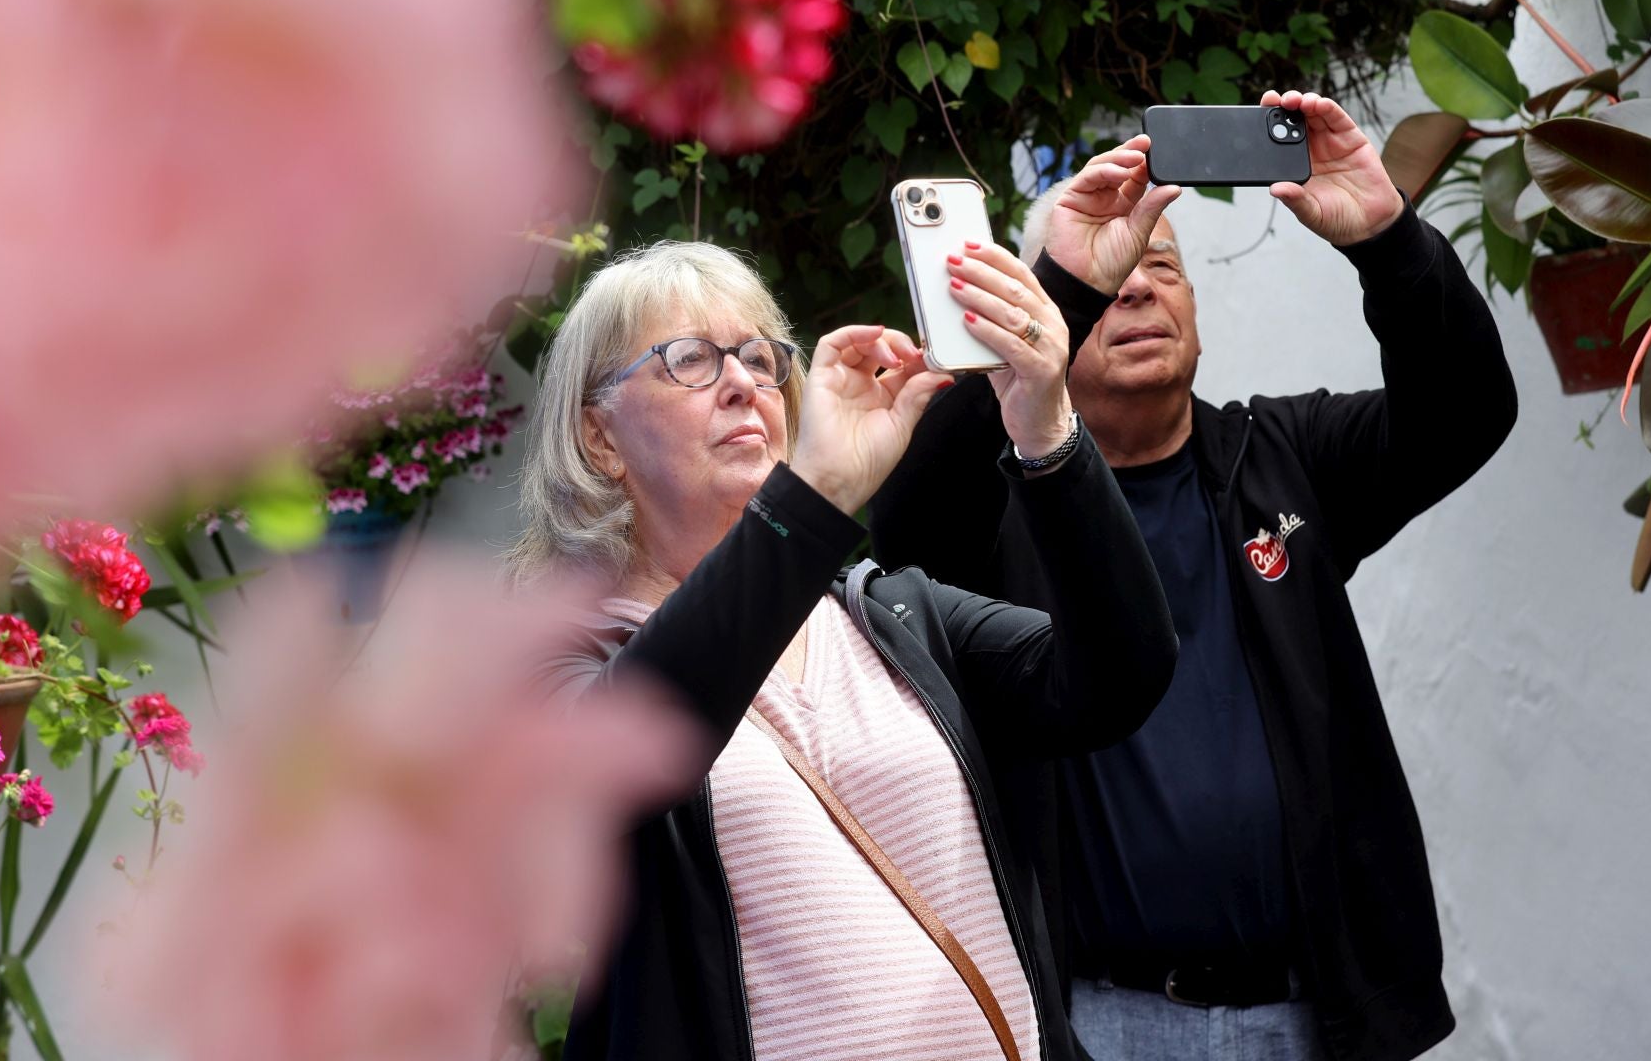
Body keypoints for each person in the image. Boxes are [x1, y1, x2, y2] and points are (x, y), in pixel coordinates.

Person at [871, 90, 1520, 1061]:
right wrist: (1065, 287)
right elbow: (908, 515)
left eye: (1161, 268)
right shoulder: (1003, 508)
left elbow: (1465, 409)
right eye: (1115, 278)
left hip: (1306, 1016)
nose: (1138, 290)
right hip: (1096, 1017)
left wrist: (1387, 239)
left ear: (1199, 317)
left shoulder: (1282, 456)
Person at [510, 238, 1178, 1061]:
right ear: (600, 440)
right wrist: (815, 498)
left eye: (759, 356)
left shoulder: (892, 616)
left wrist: (1046, 430)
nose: (741, 383)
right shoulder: (557, 666)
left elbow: (1120, 675)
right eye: (689, 360)